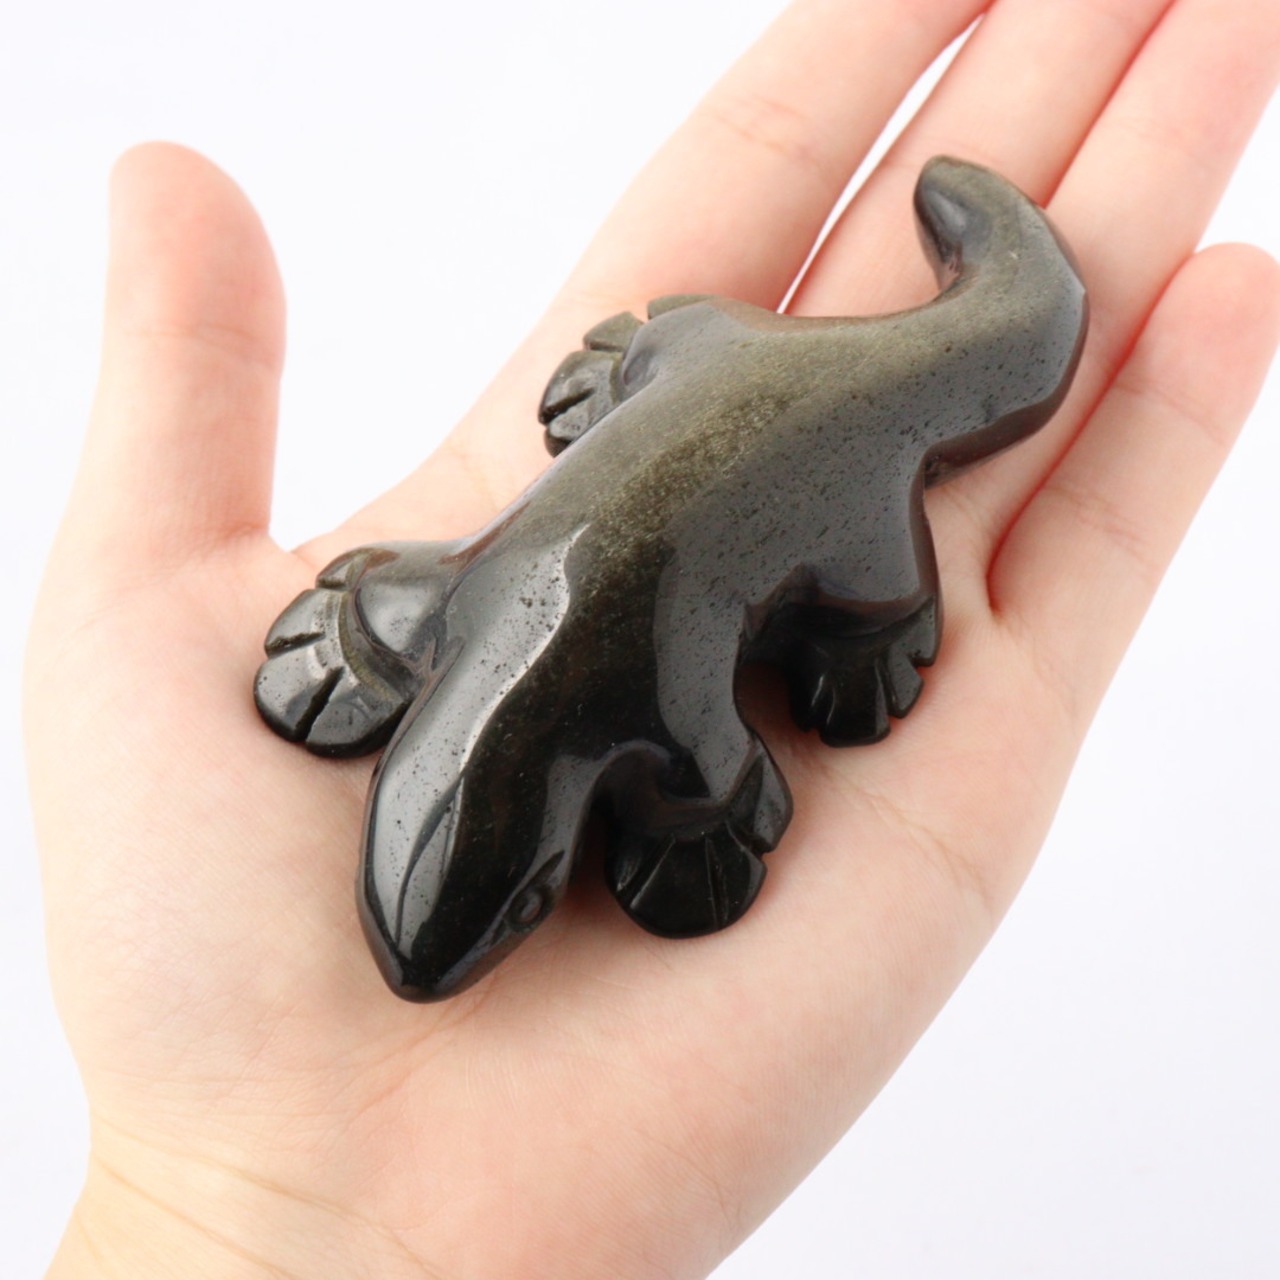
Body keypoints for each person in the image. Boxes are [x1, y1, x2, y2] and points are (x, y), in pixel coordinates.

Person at [23, 0, 1279, 1275]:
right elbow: (656, 726)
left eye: (525, 897)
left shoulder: (509, 643)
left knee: (863, 544)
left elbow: (687, 743)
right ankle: (666, 368)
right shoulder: (469, 609)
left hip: (831, 453)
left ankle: (880, 591)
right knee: (711, 367)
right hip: (706, 358)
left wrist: (733, 776)